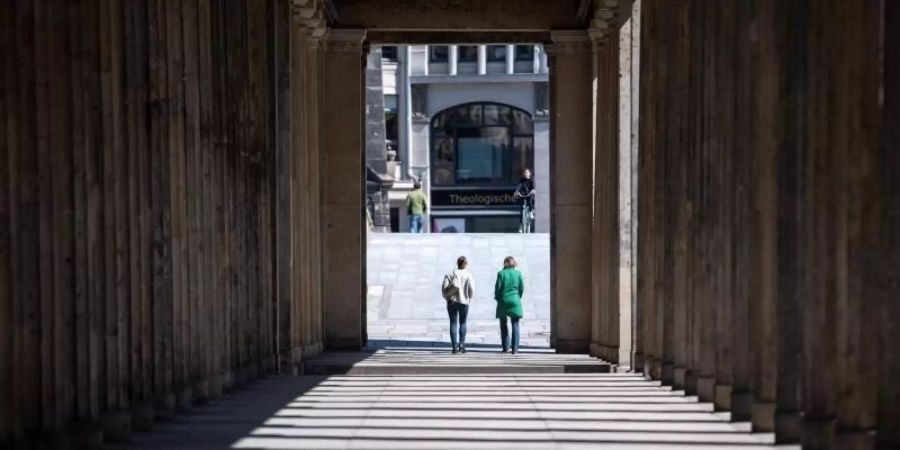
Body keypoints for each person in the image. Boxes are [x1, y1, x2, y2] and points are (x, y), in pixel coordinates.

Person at [441, 256, 475, 354]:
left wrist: (447, 297)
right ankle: (461, 345)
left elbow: (444, 287)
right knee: (463, 323)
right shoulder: (468, 274)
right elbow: (472, 288)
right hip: (464, 301)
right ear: (466, 264)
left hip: (452, 301)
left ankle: (454, 347)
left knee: (453, 323)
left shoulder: (450, 273)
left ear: (457, 263)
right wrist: (469, 298)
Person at [494, 256, 524, 354]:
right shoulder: (518, 274)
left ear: (505, 263)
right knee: (515, 324)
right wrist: (518, 297)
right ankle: (515, 349)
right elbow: (521, 288)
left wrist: (497, 297)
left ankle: (505, 347)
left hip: (503, 301)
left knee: (503, 325)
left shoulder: (501, 274)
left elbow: (498, 288)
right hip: (515, 300)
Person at [514, 169, 536, 233]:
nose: (526, 174)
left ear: (529, 174)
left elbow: (533, 187)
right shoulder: (521, 180)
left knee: (529, 201)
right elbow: (519, 186)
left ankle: (531, 212)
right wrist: (517, 191)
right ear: (524, 174)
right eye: (525, 173)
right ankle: (521, 226)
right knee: (521, 210)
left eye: (527, 173)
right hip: (523, 194)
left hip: (529, 194)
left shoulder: (531, 180)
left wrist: (533, 191)